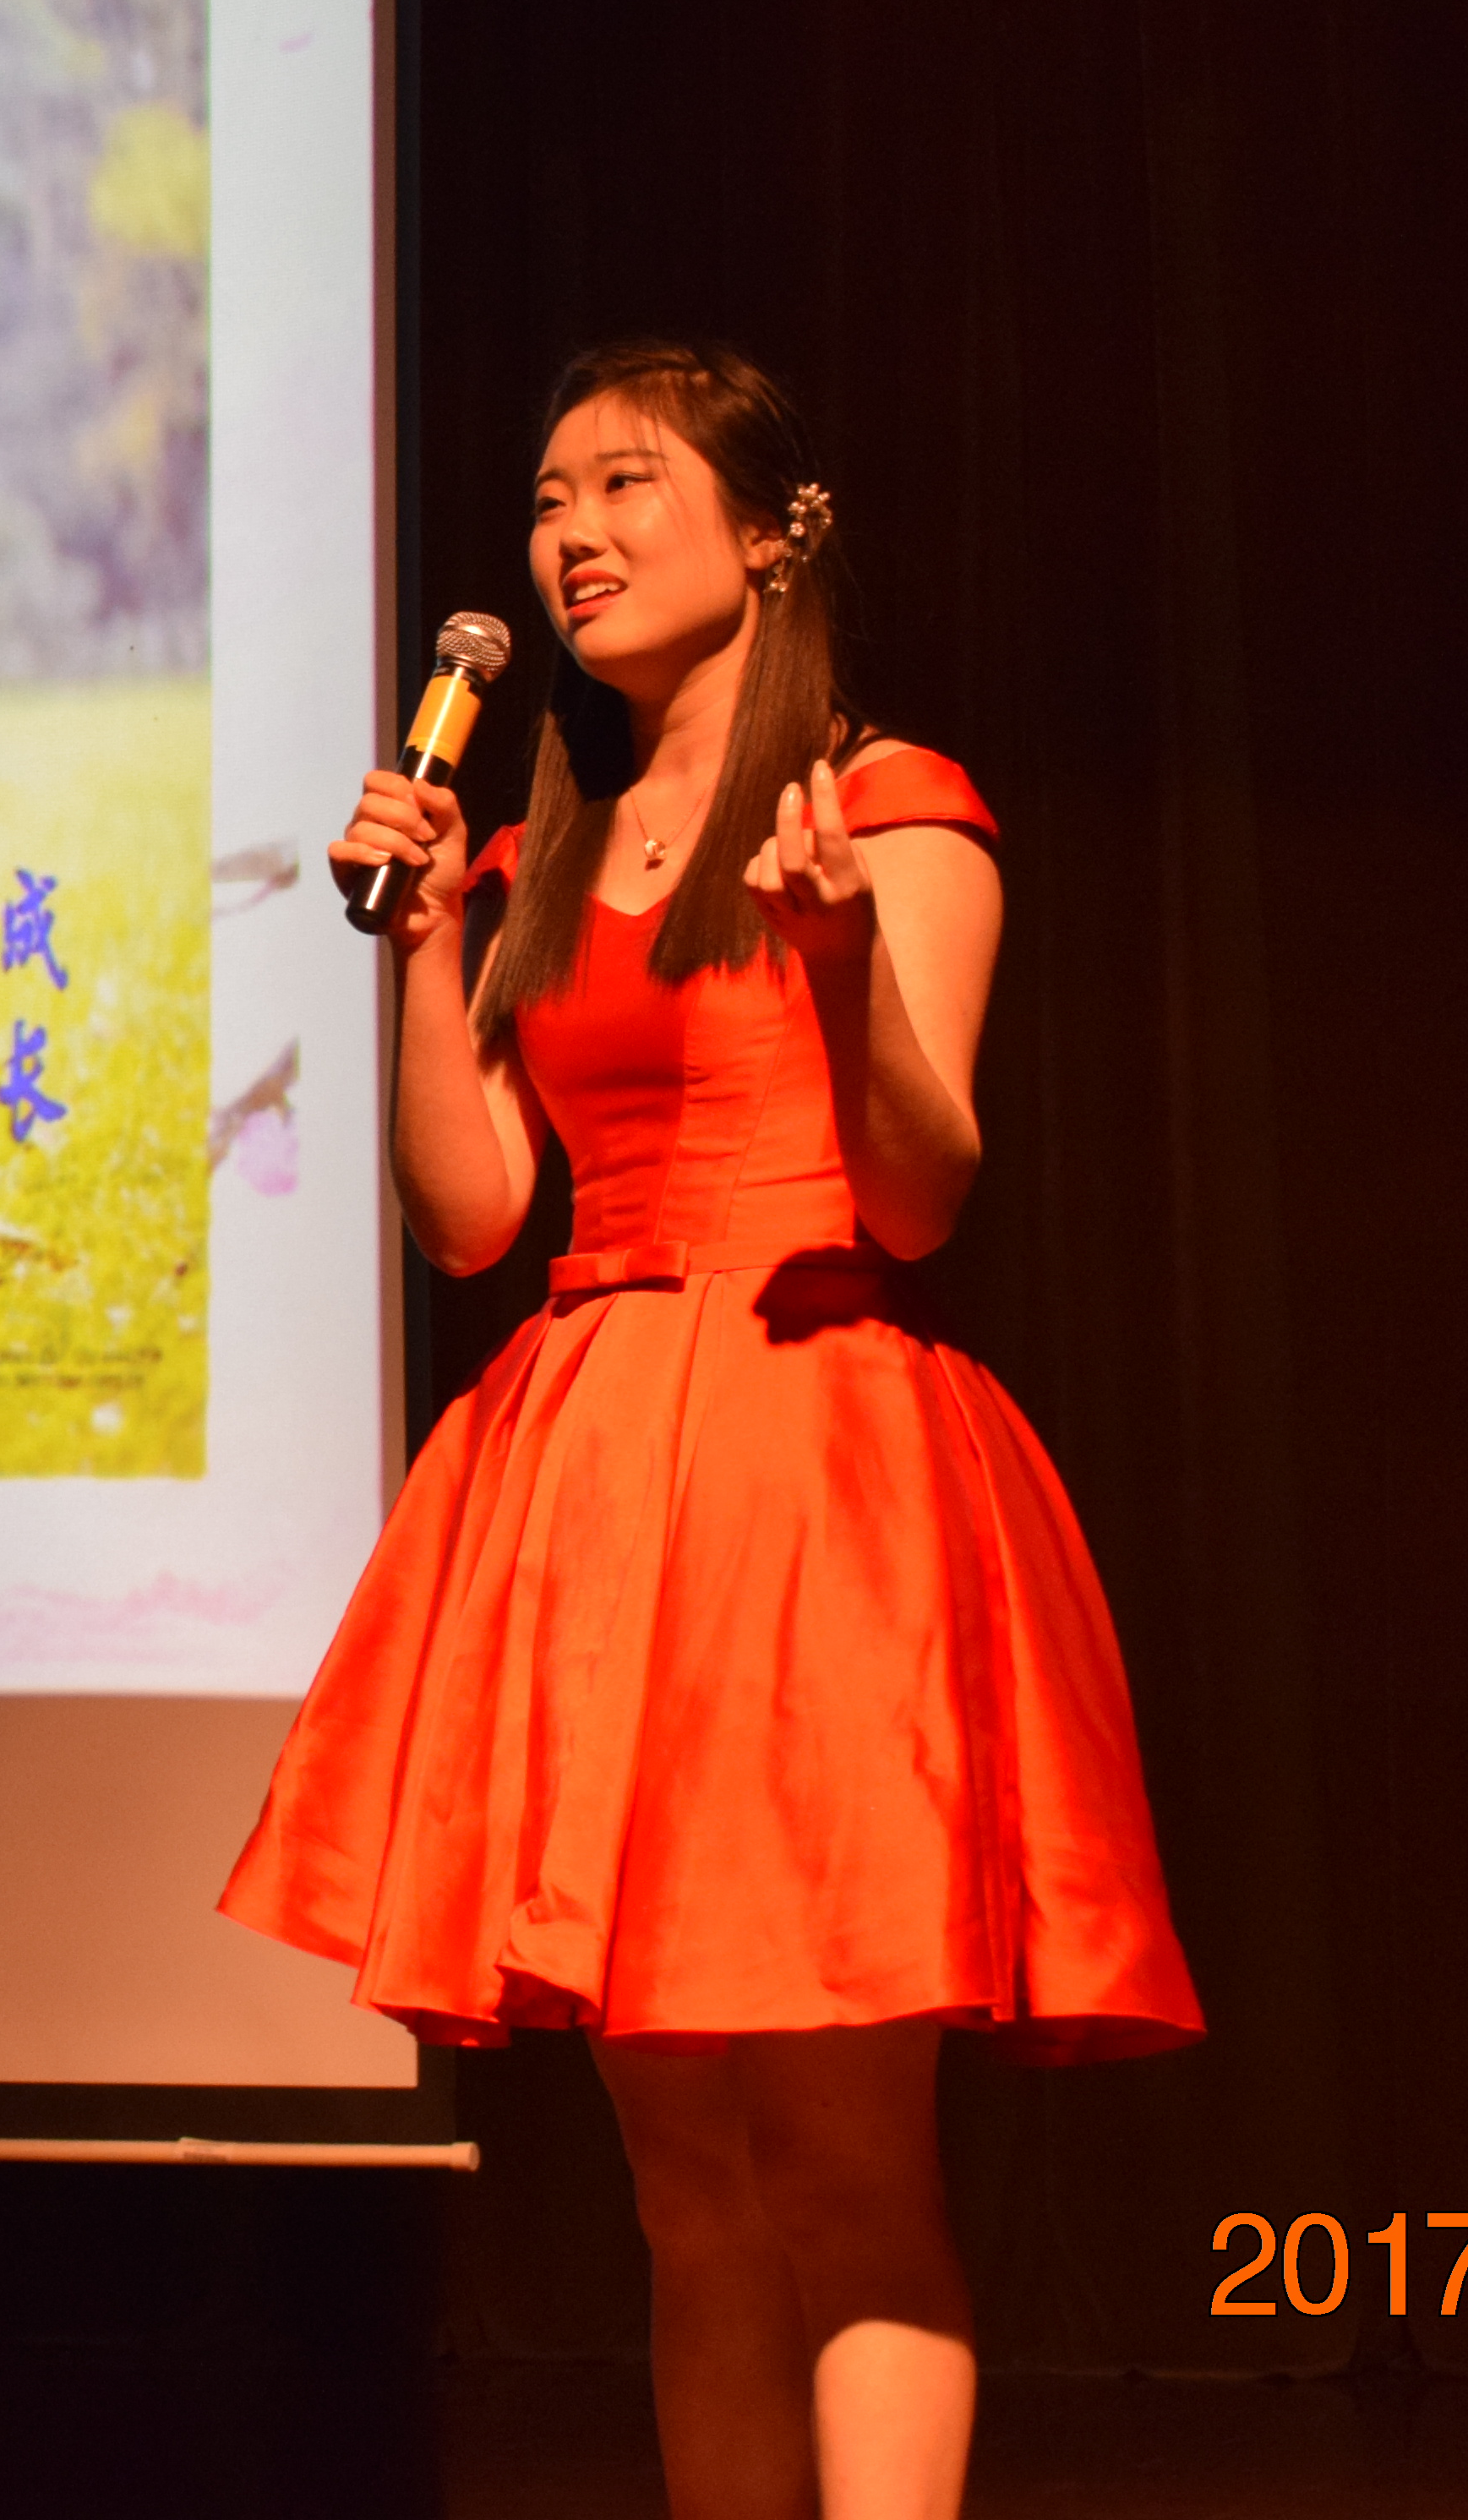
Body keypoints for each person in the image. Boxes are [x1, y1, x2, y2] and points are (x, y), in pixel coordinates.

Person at [223, 341, 1198, 2520]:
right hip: (594, 1482)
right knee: (686, 2191)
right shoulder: (551, 835)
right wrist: (427, 939)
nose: (569, 532)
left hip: (806, 1471)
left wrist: (839, 965)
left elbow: (922, 1193)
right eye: (547, 496)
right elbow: (472, 1213)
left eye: (626, 484)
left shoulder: (889, 802)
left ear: (768, 532)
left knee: (846, 2163)